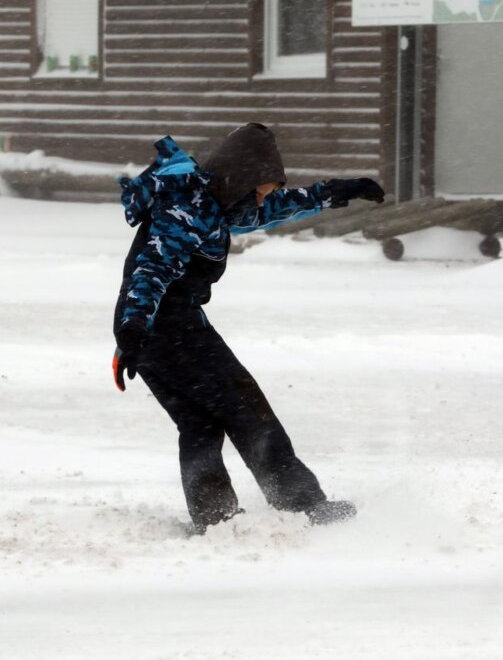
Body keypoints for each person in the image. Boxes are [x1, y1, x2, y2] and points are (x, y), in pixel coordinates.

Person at [111, 123, 386, 534]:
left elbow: (276, 207)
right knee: (248, 409)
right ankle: (302, 506)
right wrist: (135, 329)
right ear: (240, 176)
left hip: (160, 326)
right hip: (164, 328)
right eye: (261, 186)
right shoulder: (188, 209)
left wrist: (337, 190)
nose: (264, 196)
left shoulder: (217, 203)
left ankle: (214, 517)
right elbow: (151, 270)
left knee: (200, 423)